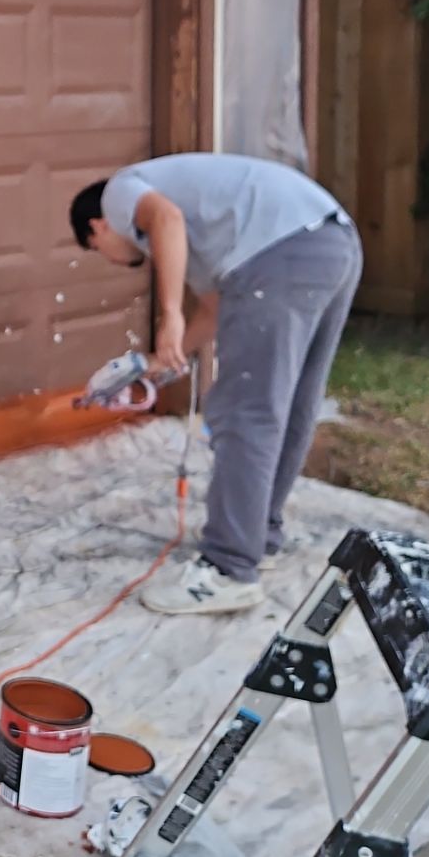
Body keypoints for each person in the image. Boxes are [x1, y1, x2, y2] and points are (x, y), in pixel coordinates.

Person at [69, 152, 361, 615]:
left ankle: (228, 568)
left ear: (98, 227)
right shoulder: (209, 239)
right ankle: (257, 536)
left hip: (281, 253)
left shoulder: (119, 191)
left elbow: (165, 218)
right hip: (331, 243)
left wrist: (169, 316)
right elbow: (215, 310)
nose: (112, 258)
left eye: (97, 249)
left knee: (243, 411)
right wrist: (156, 362)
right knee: (290, 405)